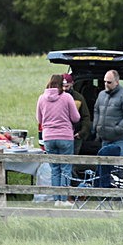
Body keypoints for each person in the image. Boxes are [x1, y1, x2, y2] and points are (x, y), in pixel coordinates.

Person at [36, 74, 80, 207]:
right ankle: (64, 199)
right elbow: (76, 117)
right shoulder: (67, 97)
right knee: (66, 168)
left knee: (55, 169)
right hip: (65, 136)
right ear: (61, 84)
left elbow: (39, 119)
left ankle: (56, 200)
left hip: (48, 137)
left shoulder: (41, 98)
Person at [62, 73, 91, 155]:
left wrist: (82, 133)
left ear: (72, 84)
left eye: (67, 86)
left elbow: (86, 117)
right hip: (60, 135)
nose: (64, 89)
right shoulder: (56, 97)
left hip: (75, 135)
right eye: (62, 86)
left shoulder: (79, 98)